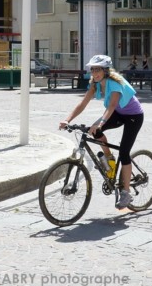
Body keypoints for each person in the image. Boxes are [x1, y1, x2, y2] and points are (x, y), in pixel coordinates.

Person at [59, 54, 144, 210]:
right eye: (93, 70)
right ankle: (110, 160)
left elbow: (111, 107)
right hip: (118, 113)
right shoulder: (94, 83)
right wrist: (67, 120)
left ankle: (126, 192)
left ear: (106, 70)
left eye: (97, 70)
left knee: (125, 152)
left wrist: (101, 123)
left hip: (133, 116)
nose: (94, 73)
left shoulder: (115, 82)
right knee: (94, 132)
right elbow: (82, 104)